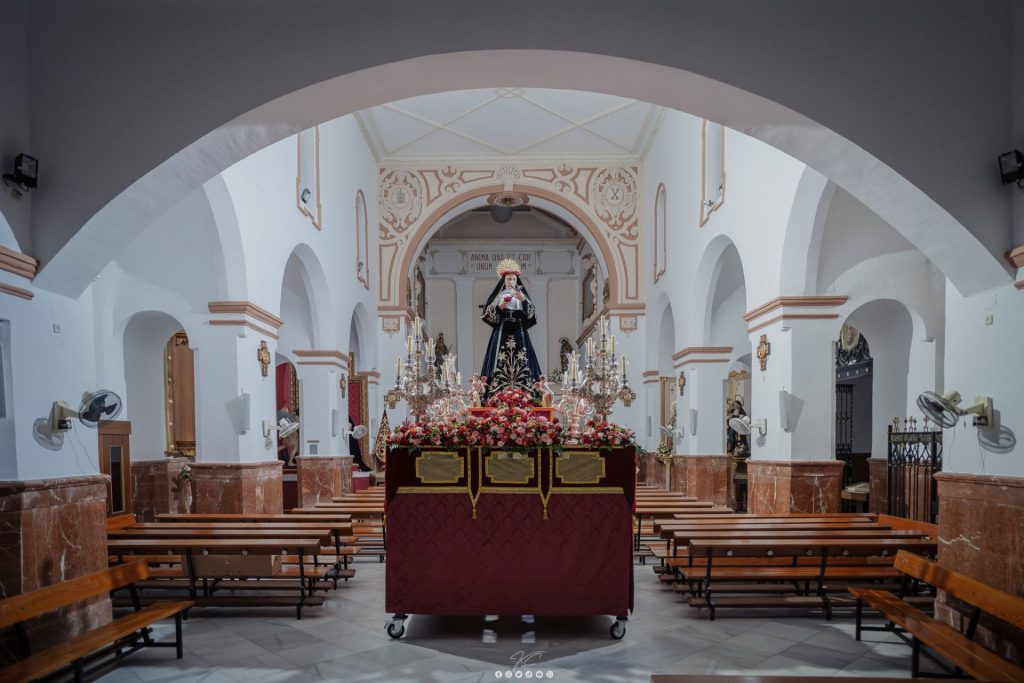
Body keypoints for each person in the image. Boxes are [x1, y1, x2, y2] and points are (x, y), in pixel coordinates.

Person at [480, 259, 542, 396]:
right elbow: (488, 313)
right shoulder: (500, 295)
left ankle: (526, 389)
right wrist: (499, 307)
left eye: (514, 279)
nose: (511, 281)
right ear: (504, 280)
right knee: (497, 356)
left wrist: (523, 300)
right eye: (508, 279)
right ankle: (495, 390)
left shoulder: (521, 295)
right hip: (502, 328)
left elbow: (531, 313)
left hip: (518, 328)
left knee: (524, 355)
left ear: (517, 280)